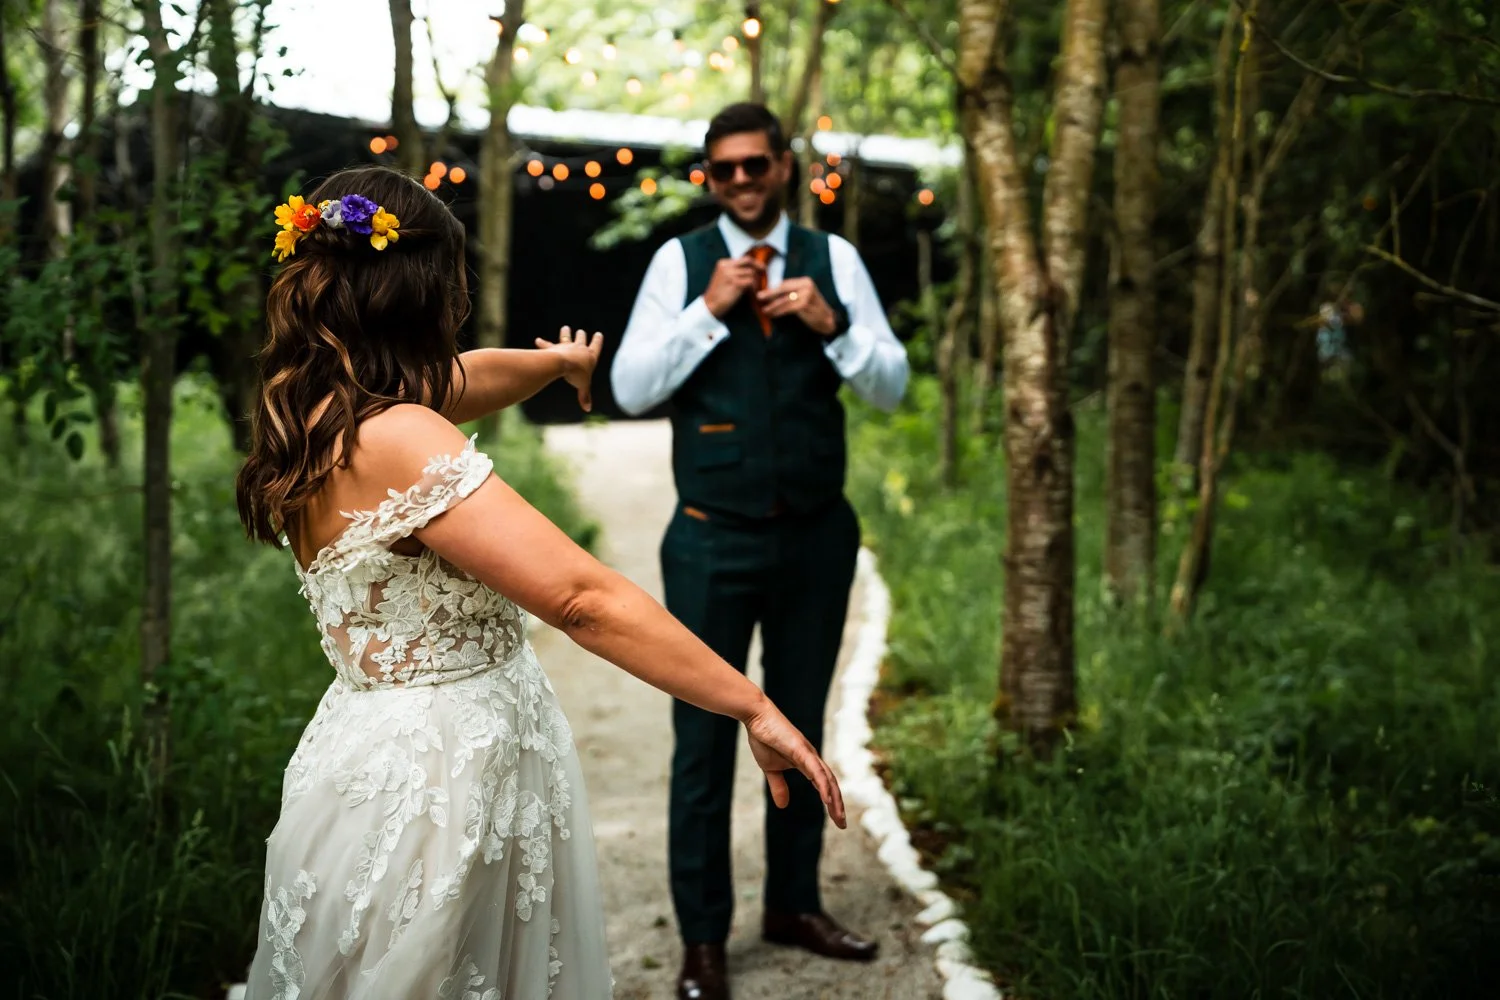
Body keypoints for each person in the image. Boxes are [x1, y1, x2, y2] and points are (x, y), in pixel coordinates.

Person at [234, 165, 845, 1000]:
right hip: (440, 786)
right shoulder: (405, 434)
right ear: (422, 290)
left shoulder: (322, 411)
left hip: (366, 754)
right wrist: (751, 703)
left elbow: (470, 377)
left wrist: (555, 364)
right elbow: (580, 601)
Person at [611, 103, 909, 1000]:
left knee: (803, 725)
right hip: (711, 539)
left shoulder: (836, 261)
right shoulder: (680, 263)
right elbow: (628, 387)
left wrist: (836, 326)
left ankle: (794, 904)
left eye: (755, 165)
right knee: (702, 741)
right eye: (723, 169)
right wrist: (710, 310)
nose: (740, 180)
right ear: (712, 176)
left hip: (817, 536)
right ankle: (704, 939)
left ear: (785, 165)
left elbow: (892, 386)